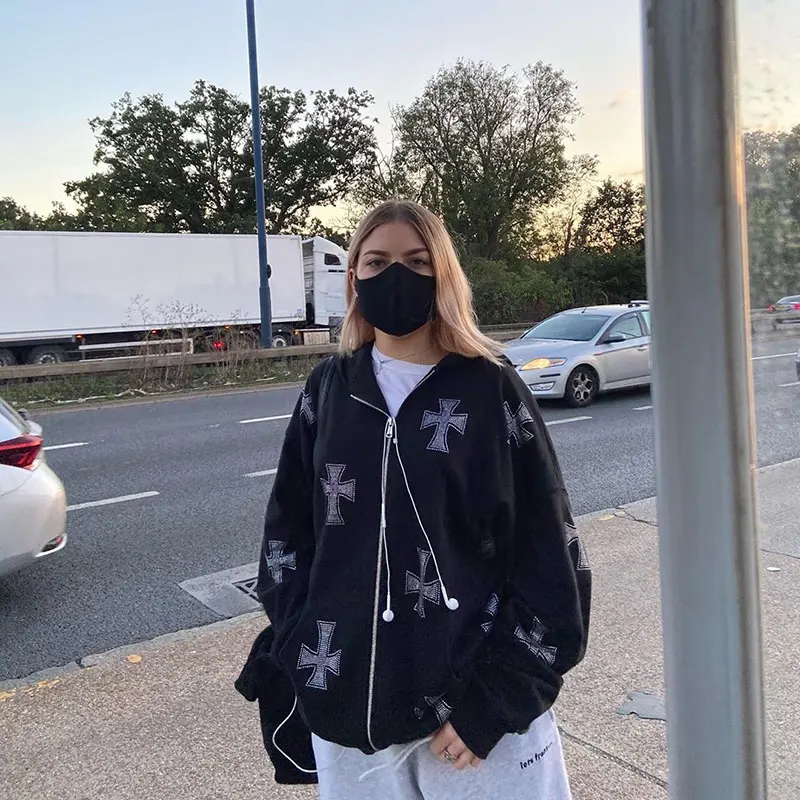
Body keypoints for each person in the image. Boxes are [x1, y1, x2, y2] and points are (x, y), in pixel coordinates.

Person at [254, 200, 591, 799]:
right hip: (349, 712)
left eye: (416, 261)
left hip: (471, 720)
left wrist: (498, 698)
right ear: (353, 277)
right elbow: (287, 535)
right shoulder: (329, 389)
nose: (395, 276)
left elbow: (549, 553)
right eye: (376, 262)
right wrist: (299, 646)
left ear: (444, 275)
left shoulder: (491, 389)